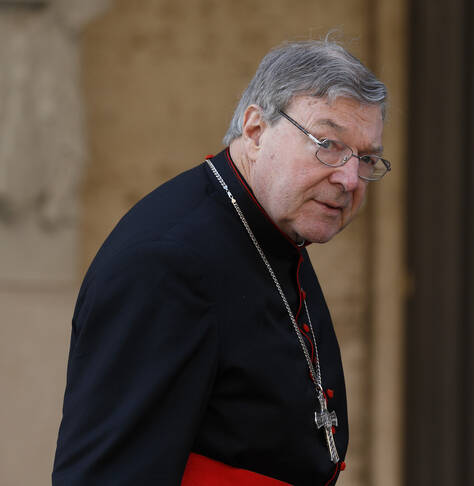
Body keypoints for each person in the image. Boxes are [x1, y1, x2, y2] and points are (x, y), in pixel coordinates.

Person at [52, 38, 390, 486]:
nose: (349, 178)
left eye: (365, 158)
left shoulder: (278, 229)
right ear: (254, 130)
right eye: (327, 144)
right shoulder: (164, 265)